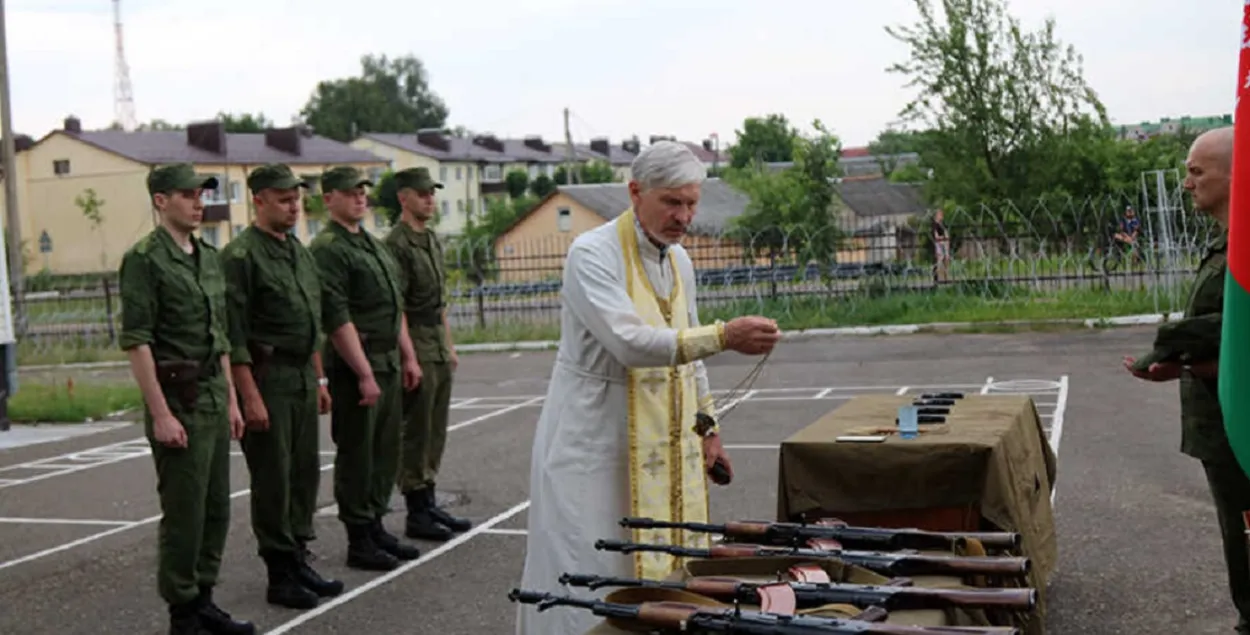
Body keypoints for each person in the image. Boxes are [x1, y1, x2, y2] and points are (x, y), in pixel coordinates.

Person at [515, 141, 782, 635]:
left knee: (666, 558)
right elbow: (631, 343)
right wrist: (726, 336)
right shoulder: (591, 253)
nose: (684, 216)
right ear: (635, 192)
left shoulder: (678, 259)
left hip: (662, 438)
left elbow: (689, 355)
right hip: (593, 438)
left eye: (692, 202)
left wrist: (708, 429)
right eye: (672, 202)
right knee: (588, 563)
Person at [1122, 126, 1249, 634]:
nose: (1186, 183)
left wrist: (1182, 353)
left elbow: (1240, 337)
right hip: (1220, 425)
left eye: (1197, 171)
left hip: (1239, 426)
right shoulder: (1228, 243)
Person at [117, 163, 252, 635]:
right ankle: (183, 612)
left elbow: (220, 339)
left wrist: (233, 401)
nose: (199, 202)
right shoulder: (145, 260)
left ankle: (204, 599)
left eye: (201, 195)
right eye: (188, 195)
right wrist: (159, 414)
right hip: (179, 398)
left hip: (214, 396)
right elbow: (138, 342)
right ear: (160, 201)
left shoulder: (208, 257)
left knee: (216, 508)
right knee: (184, 513)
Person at [220, 164, 343, 610]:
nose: (294, 208)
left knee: (304, 473)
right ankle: (279, 571)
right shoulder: (239, 257)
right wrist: (249, 395)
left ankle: (298, 556)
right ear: (259, 200)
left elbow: (310, 320)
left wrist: (320, 376)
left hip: (301, 376)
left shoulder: (299, 252)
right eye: (284, 200)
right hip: (267, 378)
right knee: (274, 477)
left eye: (297, 200)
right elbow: (233, 336)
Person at [309, 166, 424, 572]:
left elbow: (395, 306)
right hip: (359, 364)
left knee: (385, 450)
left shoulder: (371, 244)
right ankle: (359, 535)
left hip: (387, 359)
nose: (360, 198)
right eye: (350, 192)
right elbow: (338, 317)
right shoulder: (328, 248)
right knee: (358, 452)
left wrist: (408, 356)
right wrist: (363, 373)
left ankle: (375, 525)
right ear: (329, 199)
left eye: (362, 192)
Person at [382, 167, 472, 541]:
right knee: (415, 429)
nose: (429, 200)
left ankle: (430, 500)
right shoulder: (397, 245)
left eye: (432, 194)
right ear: (404, 198)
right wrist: (409, 357)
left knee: (435, 428)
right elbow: (396, 307)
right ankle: (416, 509)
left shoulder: (432, 239)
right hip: (415, 338)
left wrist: (449, 345)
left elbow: (441, 303)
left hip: (435, 337)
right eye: (422, 194)